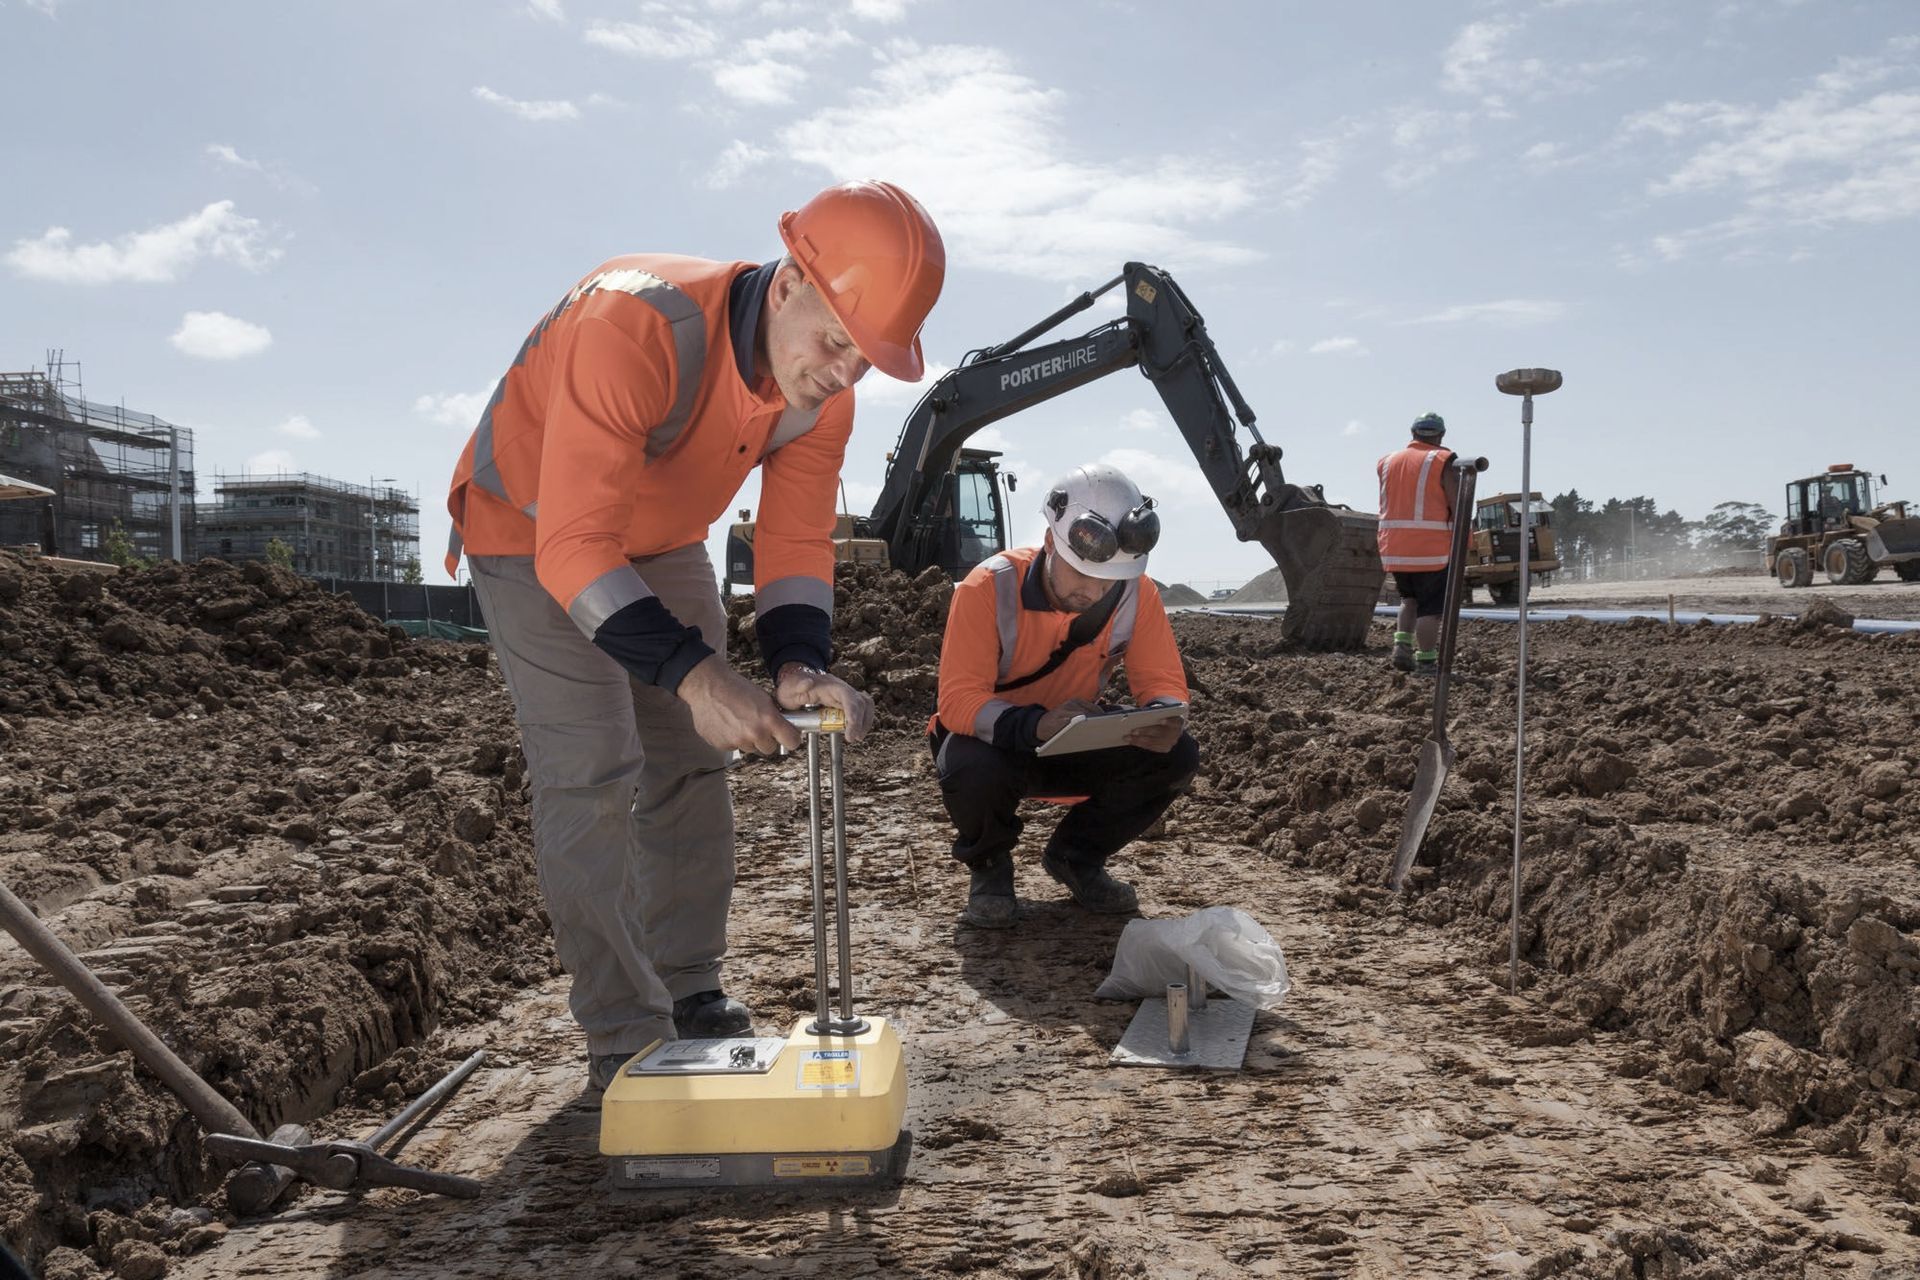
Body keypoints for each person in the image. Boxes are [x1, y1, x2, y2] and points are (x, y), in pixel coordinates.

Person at [444, 180, 945, 1090]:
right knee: (592, 770)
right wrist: (697, 674)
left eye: (867, 359)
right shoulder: (632, 323)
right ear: (790, 280)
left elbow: (793, 541)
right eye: (837, 342)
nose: (844, 374)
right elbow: (572, 548)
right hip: (528, 533)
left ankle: (686, 986)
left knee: (688, 760)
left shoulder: (822, 397)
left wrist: (797, 662)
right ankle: (623, 1038)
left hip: (659, 536)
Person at [930, 463, 1198, 929]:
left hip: (1074, 742)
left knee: (1177, 755)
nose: (1094, 592)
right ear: (1051, 541)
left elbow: (1162, 685)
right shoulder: (987, 587)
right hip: (998, 745)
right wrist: (1036, 724)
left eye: (1108, 582)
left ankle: (1077, 859)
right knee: (967, 761)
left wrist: (1160, 718)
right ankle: (990, 868)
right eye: (1082, 575)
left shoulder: (1137, 594)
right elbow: (957, 702)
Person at [1377, 412, 1460, 675]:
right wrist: (1464, 539)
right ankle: (1426, 661)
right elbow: (1458, 503)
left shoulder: (1387, 461)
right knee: (1431, 610)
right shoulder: (1442, 460)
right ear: (1441, 435)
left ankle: (1401, 647)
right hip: (1430, 549)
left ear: (1413, 433)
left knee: (1408, 599)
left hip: (1395, 548)